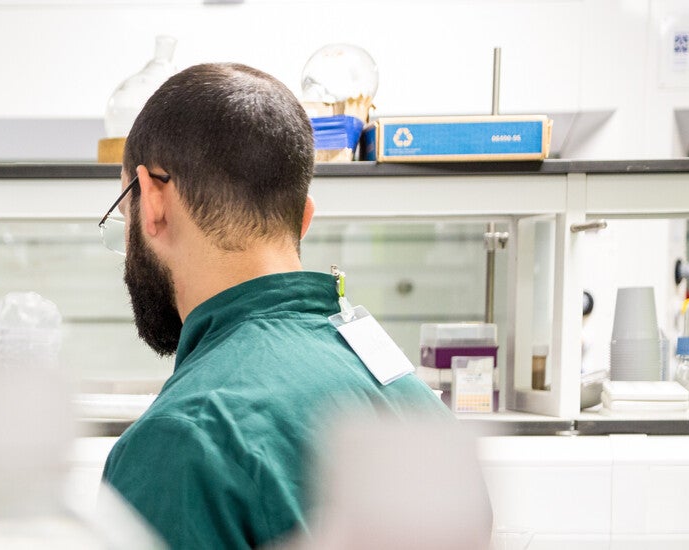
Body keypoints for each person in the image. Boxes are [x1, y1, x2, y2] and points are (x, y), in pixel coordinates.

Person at [97, 62, 474, 549]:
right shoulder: (409, 395)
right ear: (304, 219)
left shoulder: (180, 441)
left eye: (124, 213)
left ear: (152, 201)